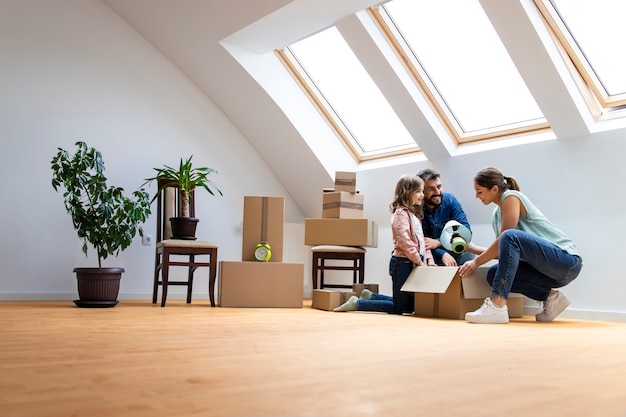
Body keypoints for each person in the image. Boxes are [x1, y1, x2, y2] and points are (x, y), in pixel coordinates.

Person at [458, 167, 582, 324]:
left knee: (509, 236)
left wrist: (476, 262)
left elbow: (508, 237)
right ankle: (552, 297)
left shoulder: (511, 197)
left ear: (494, 189)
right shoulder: (497, 214)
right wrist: (471, 248)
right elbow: (505, 252)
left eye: (479, 191)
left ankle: (497, 305)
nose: (476, 196)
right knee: (493, 273)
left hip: (566, 262)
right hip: (546, 271)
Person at [334, 174, 436, 314]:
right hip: (402, 264)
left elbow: (422, 242)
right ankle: (358, 303)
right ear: (407, 192)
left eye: (422, 191)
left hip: (411, 262)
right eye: (418, 191)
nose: (422, 195)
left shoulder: (414, 215)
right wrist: (419, 262)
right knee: (399, 308)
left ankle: (370, 296)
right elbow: (405, 242)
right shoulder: (400, 214)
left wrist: (428, 259)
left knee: (409, 306)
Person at [416, 168, 477, 266]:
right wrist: (442, 254)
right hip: (429, 253)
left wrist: (439, 242)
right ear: (421, 191)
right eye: (430, 189)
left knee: (469, 248)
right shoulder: (416, 207)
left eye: (439, 187)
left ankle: (460, 280)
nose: (437, 192)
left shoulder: (450, 200)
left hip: (450, 247)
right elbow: (421, 242)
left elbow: (465, 230)